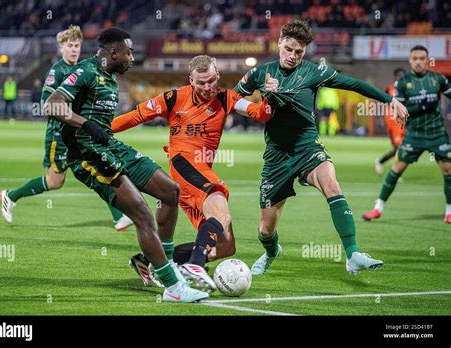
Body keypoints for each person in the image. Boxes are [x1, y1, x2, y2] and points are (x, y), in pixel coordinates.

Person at [42, 27, 208, 302]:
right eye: (129, 52)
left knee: (170, 191)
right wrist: (86, 124)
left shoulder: (110, 77)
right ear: (113, 52)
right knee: (141, 213)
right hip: (87, 154)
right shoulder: (85, 71)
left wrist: (99, 130)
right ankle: (173, 288)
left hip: (108, 146)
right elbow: (52, 105)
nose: (132, 57)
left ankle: (163, 265)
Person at [233, 20, 408, 276]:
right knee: (265, 230)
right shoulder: (261, 73)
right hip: (277, 157)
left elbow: (354, 84)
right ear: (280, 41)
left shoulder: (314, 72)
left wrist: (390, 100)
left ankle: (353, 253)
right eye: (289, 49)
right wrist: (256, 106)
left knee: (332, 184)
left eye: (299, 52)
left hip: (308, 148)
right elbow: (232, 99)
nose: (293, 56)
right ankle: (272, 251)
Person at [111, 55, 272, 291]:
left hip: (198, 174)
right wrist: (102, 130)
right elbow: (137, 115)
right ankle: (195, 266)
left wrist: (268, 94)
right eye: (201, 83)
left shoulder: (227, 98)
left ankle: (146, 261)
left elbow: (261, 114)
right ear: (191, 80)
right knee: (221, 212)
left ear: (217, 76)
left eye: (211, 81)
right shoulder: (174, 97)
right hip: (183, 163)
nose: (207, 88)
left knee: (226, 246)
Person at [0, 25, 132, 232]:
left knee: (92, 167)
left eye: (77, 45)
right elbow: (47, 103)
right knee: (57, 180)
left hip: (77, 133)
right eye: (69, 45)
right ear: (61, 48)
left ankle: (119, 216)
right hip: (58, 135)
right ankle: (11, 195)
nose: (74, 49)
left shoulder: (84, 67)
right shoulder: (57, 71)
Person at [363, 45, 451, 224]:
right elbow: (398, 110)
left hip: (437, 134)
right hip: (414, 135)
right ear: (410, 61)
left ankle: (449, 211)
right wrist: (420, 106)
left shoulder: (438, 80)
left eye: (422, 58)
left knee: (448, 170)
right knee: (396, 169)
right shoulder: (402, 83)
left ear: (427, 60)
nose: (418, 62)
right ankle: (378, 207)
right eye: (415, 59)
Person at [375, 68, 406, 175]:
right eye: (398, 75)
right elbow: (381, 102)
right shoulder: (389, 89)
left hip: (403, 122)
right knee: (399, 147)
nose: (400, 77)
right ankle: (395, 172)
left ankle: (381, 162)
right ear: (395, 77)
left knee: (401, 148)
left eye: (402, 75)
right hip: (392, 122)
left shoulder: (407, 89)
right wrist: (380, 118)